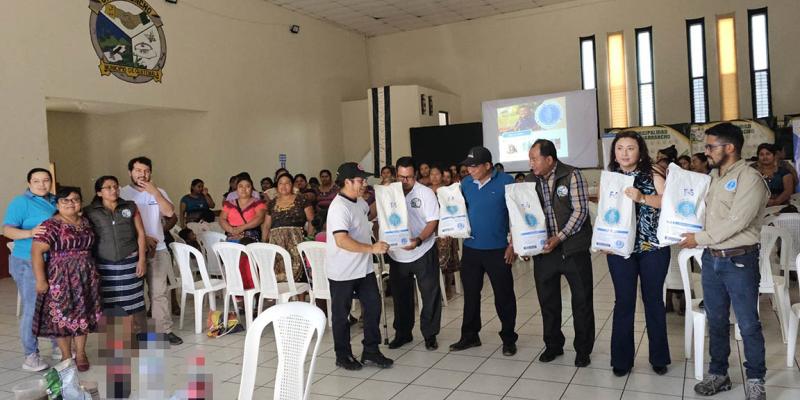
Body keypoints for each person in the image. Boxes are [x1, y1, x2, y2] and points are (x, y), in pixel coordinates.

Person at [679, 122, 768, 400]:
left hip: (739, 261)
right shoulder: (715, 177)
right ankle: (719, 375)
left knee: (747, 323)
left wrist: (699, 238)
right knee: (716, 320)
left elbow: (737, 221)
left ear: (729, 147)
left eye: (710, 146)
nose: (706, 152)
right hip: (712, 260)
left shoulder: (750, 179)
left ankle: (755, 379)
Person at [604, 132, 670, 376]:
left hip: (652, 247)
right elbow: (605, 211)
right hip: (619, 250)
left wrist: (642, 197)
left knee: (653, 301)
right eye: (619, 148)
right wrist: (604, 240)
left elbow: (667, 202)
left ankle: (659, 358)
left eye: (630, 148)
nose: (624, 153)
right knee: (623, 302)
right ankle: (621, 361)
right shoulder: (610, 178)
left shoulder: (653, 172)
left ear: (640, 151)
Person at [526, 139, 594, 367]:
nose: (531, 163)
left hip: (573, 249)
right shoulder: (529, 181)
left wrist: (560, 237)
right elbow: (522, 216)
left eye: (534, 158)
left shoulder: (572, 175)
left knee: (581, 301)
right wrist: (522, 244)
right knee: (548, 302)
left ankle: (583, 350)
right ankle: (553, 345)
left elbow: (581, 211)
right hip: (545, 252)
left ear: (549, 159)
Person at [450, 146, 518, 356]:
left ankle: (508, 338)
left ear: (488, 166)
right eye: (467, 166)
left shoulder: (507, 182)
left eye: (474, 166)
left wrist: (513, 244)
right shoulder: (466, 184)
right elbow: (457, 211)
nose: (469, 170)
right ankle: (470, 335)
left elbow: (517, 216)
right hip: (471, 249)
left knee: (504, 296)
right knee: (470, 295)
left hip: (498, 250)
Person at [325, 162, 393, 370]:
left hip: (363, 269)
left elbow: (369, 214)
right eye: (360, 180)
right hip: (342, 271)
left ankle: (371, 350)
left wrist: (387, 194)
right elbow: (342, 240)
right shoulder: (339, 207)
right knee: (341, 315)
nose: (364, 183)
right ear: (347, 182)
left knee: (373, 306)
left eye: (364, 179)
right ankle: (343, 354)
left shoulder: (359, 202)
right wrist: (372, 249)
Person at [31, 186, 103, 372]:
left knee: (83, 314)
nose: (71, 203)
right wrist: (41, 280)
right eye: (66, 200)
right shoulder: (51, 225)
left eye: (75, 199)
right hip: (60, 276)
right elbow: (37, 252)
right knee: (62, 317)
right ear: (57, 203)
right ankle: (65, 355)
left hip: (86, 276)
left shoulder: (85, 222)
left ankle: (80, 353)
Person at [119, 156, 183, 345]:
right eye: (138, 170)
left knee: (159, 292)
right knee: (134, 294)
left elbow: (170, 213)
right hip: (132, 250)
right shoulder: (122, 193)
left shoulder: (159, 192)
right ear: (130, 172)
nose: (142, 174)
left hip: (159, 249)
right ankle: (139, 331)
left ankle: (164, 330)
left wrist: (155, 192)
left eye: (146, 171)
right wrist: (142, 238)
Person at [3, 168, 58, 371]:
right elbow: (7, 230)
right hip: (27, 261)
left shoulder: (55, 200)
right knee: (32, 308)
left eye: (46, 180)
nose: (42, 184)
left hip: (53, 261)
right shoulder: (21, 202)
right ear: (29, 183)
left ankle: (57, 346)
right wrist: (30, 232)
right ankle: (30, 355)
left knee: (54, 306)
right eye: (37, 181)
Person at [386, 157, 442, 351]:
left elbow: (433, 222)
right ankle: (403, 333)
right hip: (397, 254)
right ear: (395, 175)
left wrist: (418, 240)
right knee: (401, 297)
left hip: (422, 250)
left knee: (429, 294)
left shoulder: (425, 193)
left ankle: (430, 334)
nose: (405, 181)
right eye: (401, 177)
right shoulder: (389, 194)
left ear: (415, 175)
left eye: (409, 177)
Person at [83, 176, 147, 331]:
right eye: (108, 187)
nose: (114, 190)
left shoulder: (130, 206)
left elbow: (141, 234)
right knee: (109, 299)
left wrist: (142, 260)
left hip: (130, 259)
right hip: (104, 262)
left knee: (131, 299)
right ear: (99, 193)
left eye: (116, 186)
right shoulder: (90, 211)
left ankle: (132, 333)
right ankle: (116, 335)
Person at [263, 173, 314, 283]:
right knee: (279, 275)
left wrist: (309, 239)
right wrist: (264, 242)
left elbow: (311, 220)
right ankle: (285, 299)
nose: (284, 186)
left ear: (292, 185)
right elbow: (267, 225)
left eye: (287, 183)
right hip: (276, 243)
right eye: (281, 183)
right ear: (277, 186)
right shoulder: (272, 203)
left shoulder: (302, 199)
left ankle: (300, 299)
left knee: (300, 276)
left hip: (297, 242)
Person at [429, 165, 460, 299]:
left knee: (447, 260)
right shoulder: (426, 191)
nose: (434, 177)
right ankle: (435, 289)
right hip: (430, 229)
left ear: (442, 175)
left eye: (437, 174)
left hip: (446, 227)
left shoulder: (447, 190)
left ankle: (447, 287)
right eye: (432, 174)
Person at [753, 143, 793, 207]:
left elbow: (788, 191)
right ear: (758, 157)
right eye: (761, 154)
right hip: (759, 207)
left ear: (774, 156)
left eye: (768, 154)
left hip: (782, 208)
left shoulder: (784, 172)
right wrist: (764, 201)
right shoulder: (753, 173)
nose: (765, 157)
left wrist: (776, 202)